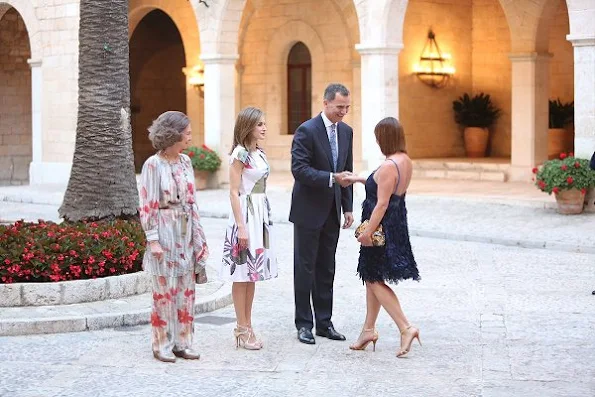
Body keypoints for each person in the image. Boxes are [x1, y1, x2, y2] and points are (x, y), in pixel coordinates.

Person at [345, 117, 421, 358]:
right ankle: (368, 330)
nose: (377, 142)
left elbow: (382, 203)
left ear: (385, 138)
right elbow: (385, 187)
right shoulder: (404, 160)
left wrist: (367, 232)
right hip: (395, 223)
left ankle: (405, 327)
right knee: (372, 275)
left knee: (374, 278)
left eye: (379, 137)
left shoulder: (389, 165)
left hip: (381, 227)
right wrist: (359, 178)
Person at [139, 111, 209, 363]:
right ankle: (162, 344)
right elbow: (147, 204)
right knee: (164, 292)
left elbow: (193, 203)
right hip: (164, 231)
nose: (190, 137)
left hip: (186, 231)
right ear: (173, 134)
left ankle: (183, 342)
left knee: (186, 290)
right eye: (187, 133)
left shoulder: (185, 162)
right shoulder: (152, 165)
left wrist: (199, 237)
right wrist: (153, 240)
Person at [290, 83, 354, 344]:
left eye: (347, 107)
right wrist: (331, 178)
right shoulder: (306, 130)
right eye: (340, 107)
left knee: (327, 268)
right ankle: (303, 324)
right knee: (304, 268)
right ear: (325, 103)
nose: (343, 112)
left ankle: (324, 323)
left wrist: (348, 207)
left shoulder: (347, 132)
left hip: (332, 211)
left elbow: (347, 172)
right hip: (307, 211)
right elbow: (299, 169)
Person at [221, 107, 278, 350]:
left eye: (264, 124)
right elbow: (234, 192)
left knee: (252, 274)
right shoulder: (240, 154)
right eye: (259, 124)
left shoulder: (259, 153)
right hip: (245, 215)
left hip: (260, 214)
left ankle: (248, 325)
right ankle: (241, 327)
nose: (264, 128)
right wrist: (241, 227)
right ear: (248, 127)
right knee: (241, 273)